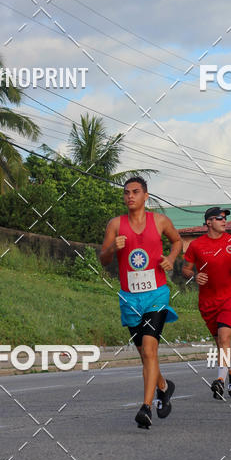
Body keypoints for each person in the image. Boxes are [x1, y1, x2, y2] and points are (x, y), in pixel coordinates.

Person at [100, 176, 182, 429]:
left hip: (156, 294)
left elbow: (178, 241)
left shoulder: (159, 221)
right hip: (130, 296)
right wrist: (113, 247)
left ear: (146, 196)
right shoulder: (115, 224)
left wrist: (171, 258)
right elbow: (103, 260)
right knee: (144, 354)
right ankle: (164, 387)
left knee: (149, 350)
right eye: (126, 193)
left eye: (135, 192)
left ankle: (146, 407)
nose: (130, 196)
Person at [182, 207, 231, 399]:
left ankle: (219, 380)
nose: (224, 221)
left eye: (225, 218)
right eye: (220, 218)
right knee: (220, 343)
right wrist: (194, 275)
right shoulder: (196, 245)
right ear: (209, 222)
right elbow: (185, 268)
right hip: (208, 302)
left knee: (225, 338)